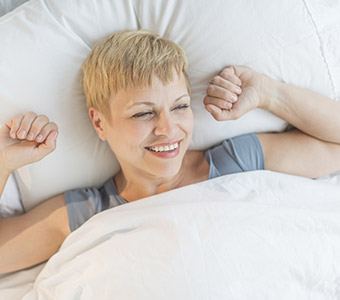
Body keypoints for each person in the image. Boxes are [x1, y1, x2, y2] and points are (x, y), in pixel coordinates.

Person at [1, 30, 340, 274]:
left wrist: (271, 94)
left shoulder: (233, 162)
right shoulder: (87, 212)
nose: (168, 128)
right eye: (144, 113)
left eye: (179, 106)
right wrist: (4, 162)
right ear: (100, 123)